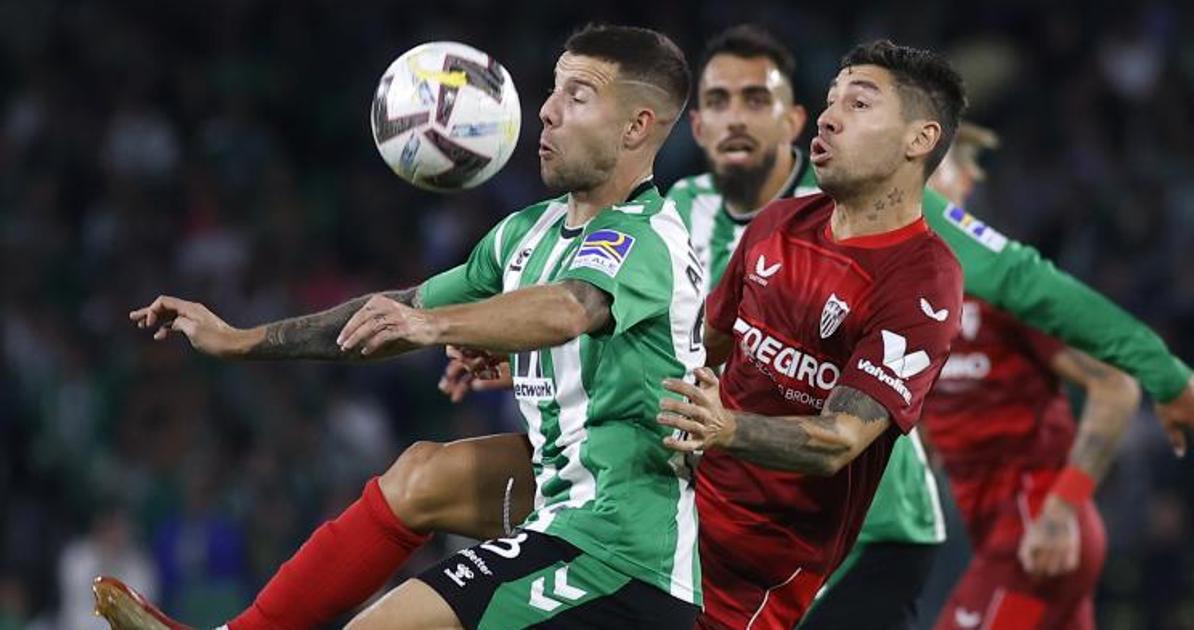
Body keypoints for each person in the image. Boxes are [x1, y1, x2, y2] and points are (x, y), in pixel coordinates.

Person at [96, 24, 703, 630]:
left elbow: (570, 308)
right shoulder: (529, 234)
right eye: (553, 89)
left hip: (620, 554)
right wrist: (242, 340)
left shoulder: (646, 236)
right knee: (421, 475)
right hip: (563, 497)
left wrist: (432, 326)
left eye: (578, 96)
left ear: (635, 127)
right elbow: (393, 310)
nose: (545, 111)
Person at [920, 122, 1138, 630]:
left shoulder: (1006, 282)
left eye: (931, 172)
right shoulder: (914, 296)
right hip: (1003, 536)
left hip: (1040, 535)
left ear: (963, 187)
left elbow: (1116, 386)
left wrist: (1062, 509)